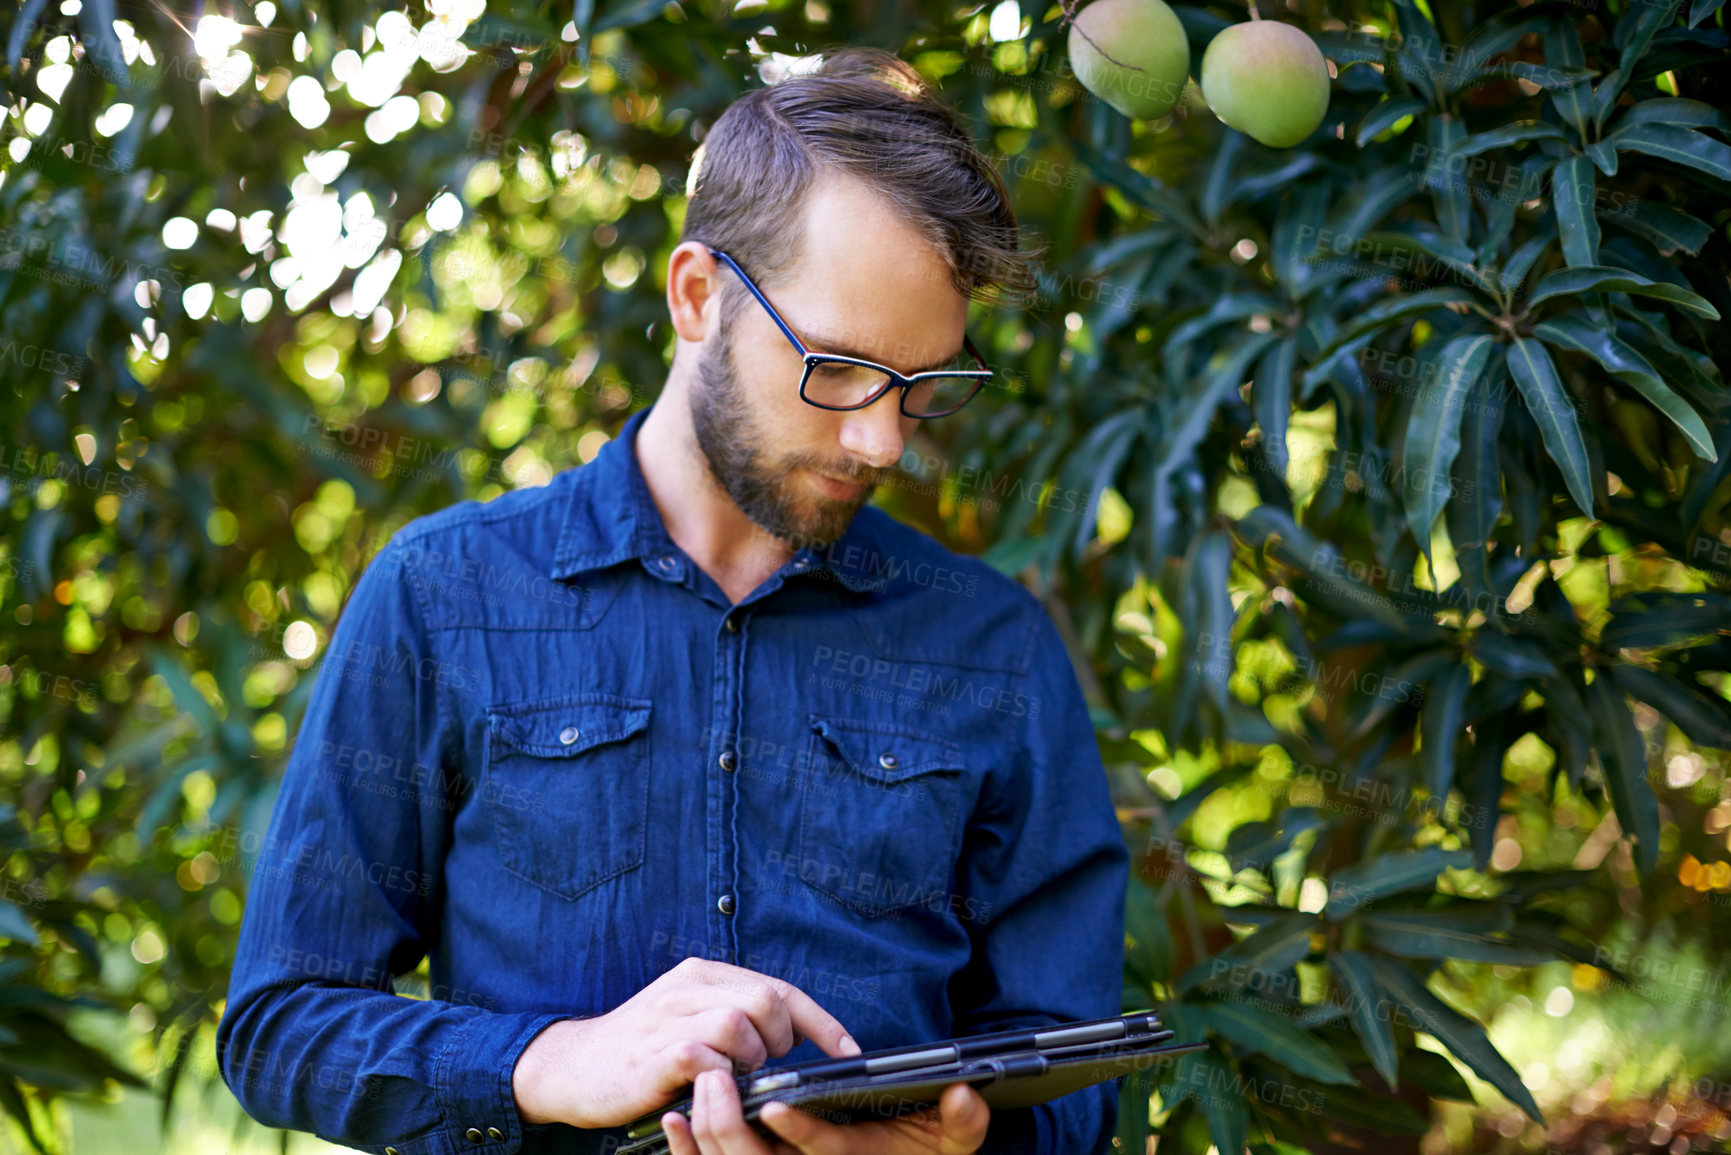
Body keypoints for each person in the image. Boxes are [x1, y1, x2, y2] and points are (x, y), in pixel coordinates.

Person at [218, 45, 1128, 1155]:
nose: (882, 440)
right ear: (698, 295)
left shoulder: (995, 647)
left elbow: (1079, 1068)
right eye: (836, 370)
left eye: (921, 387)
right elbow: (279, 1026)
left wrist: (955, 1145)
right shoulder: (439, 596)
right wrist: (549, 1062)